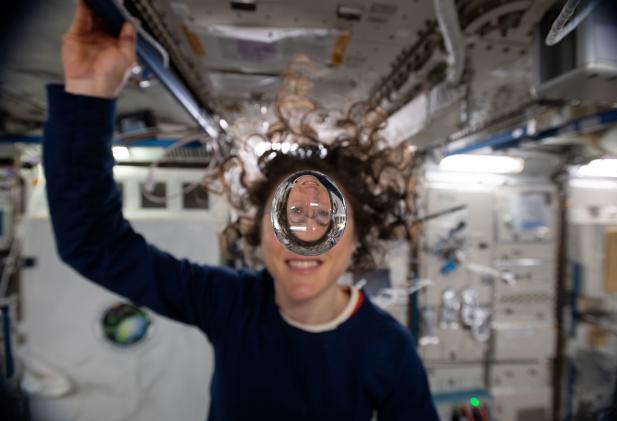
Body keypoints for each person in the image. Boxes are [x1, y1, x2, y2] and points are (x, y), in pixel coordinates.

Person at [43, 1, 439, 420]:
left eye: (326, 219)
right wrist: (87, 99)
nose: (304, 238)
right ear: (259, 232)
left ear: (357, 237)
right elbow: (93, 244)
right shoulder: (230, 303)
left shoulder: (387, 349)